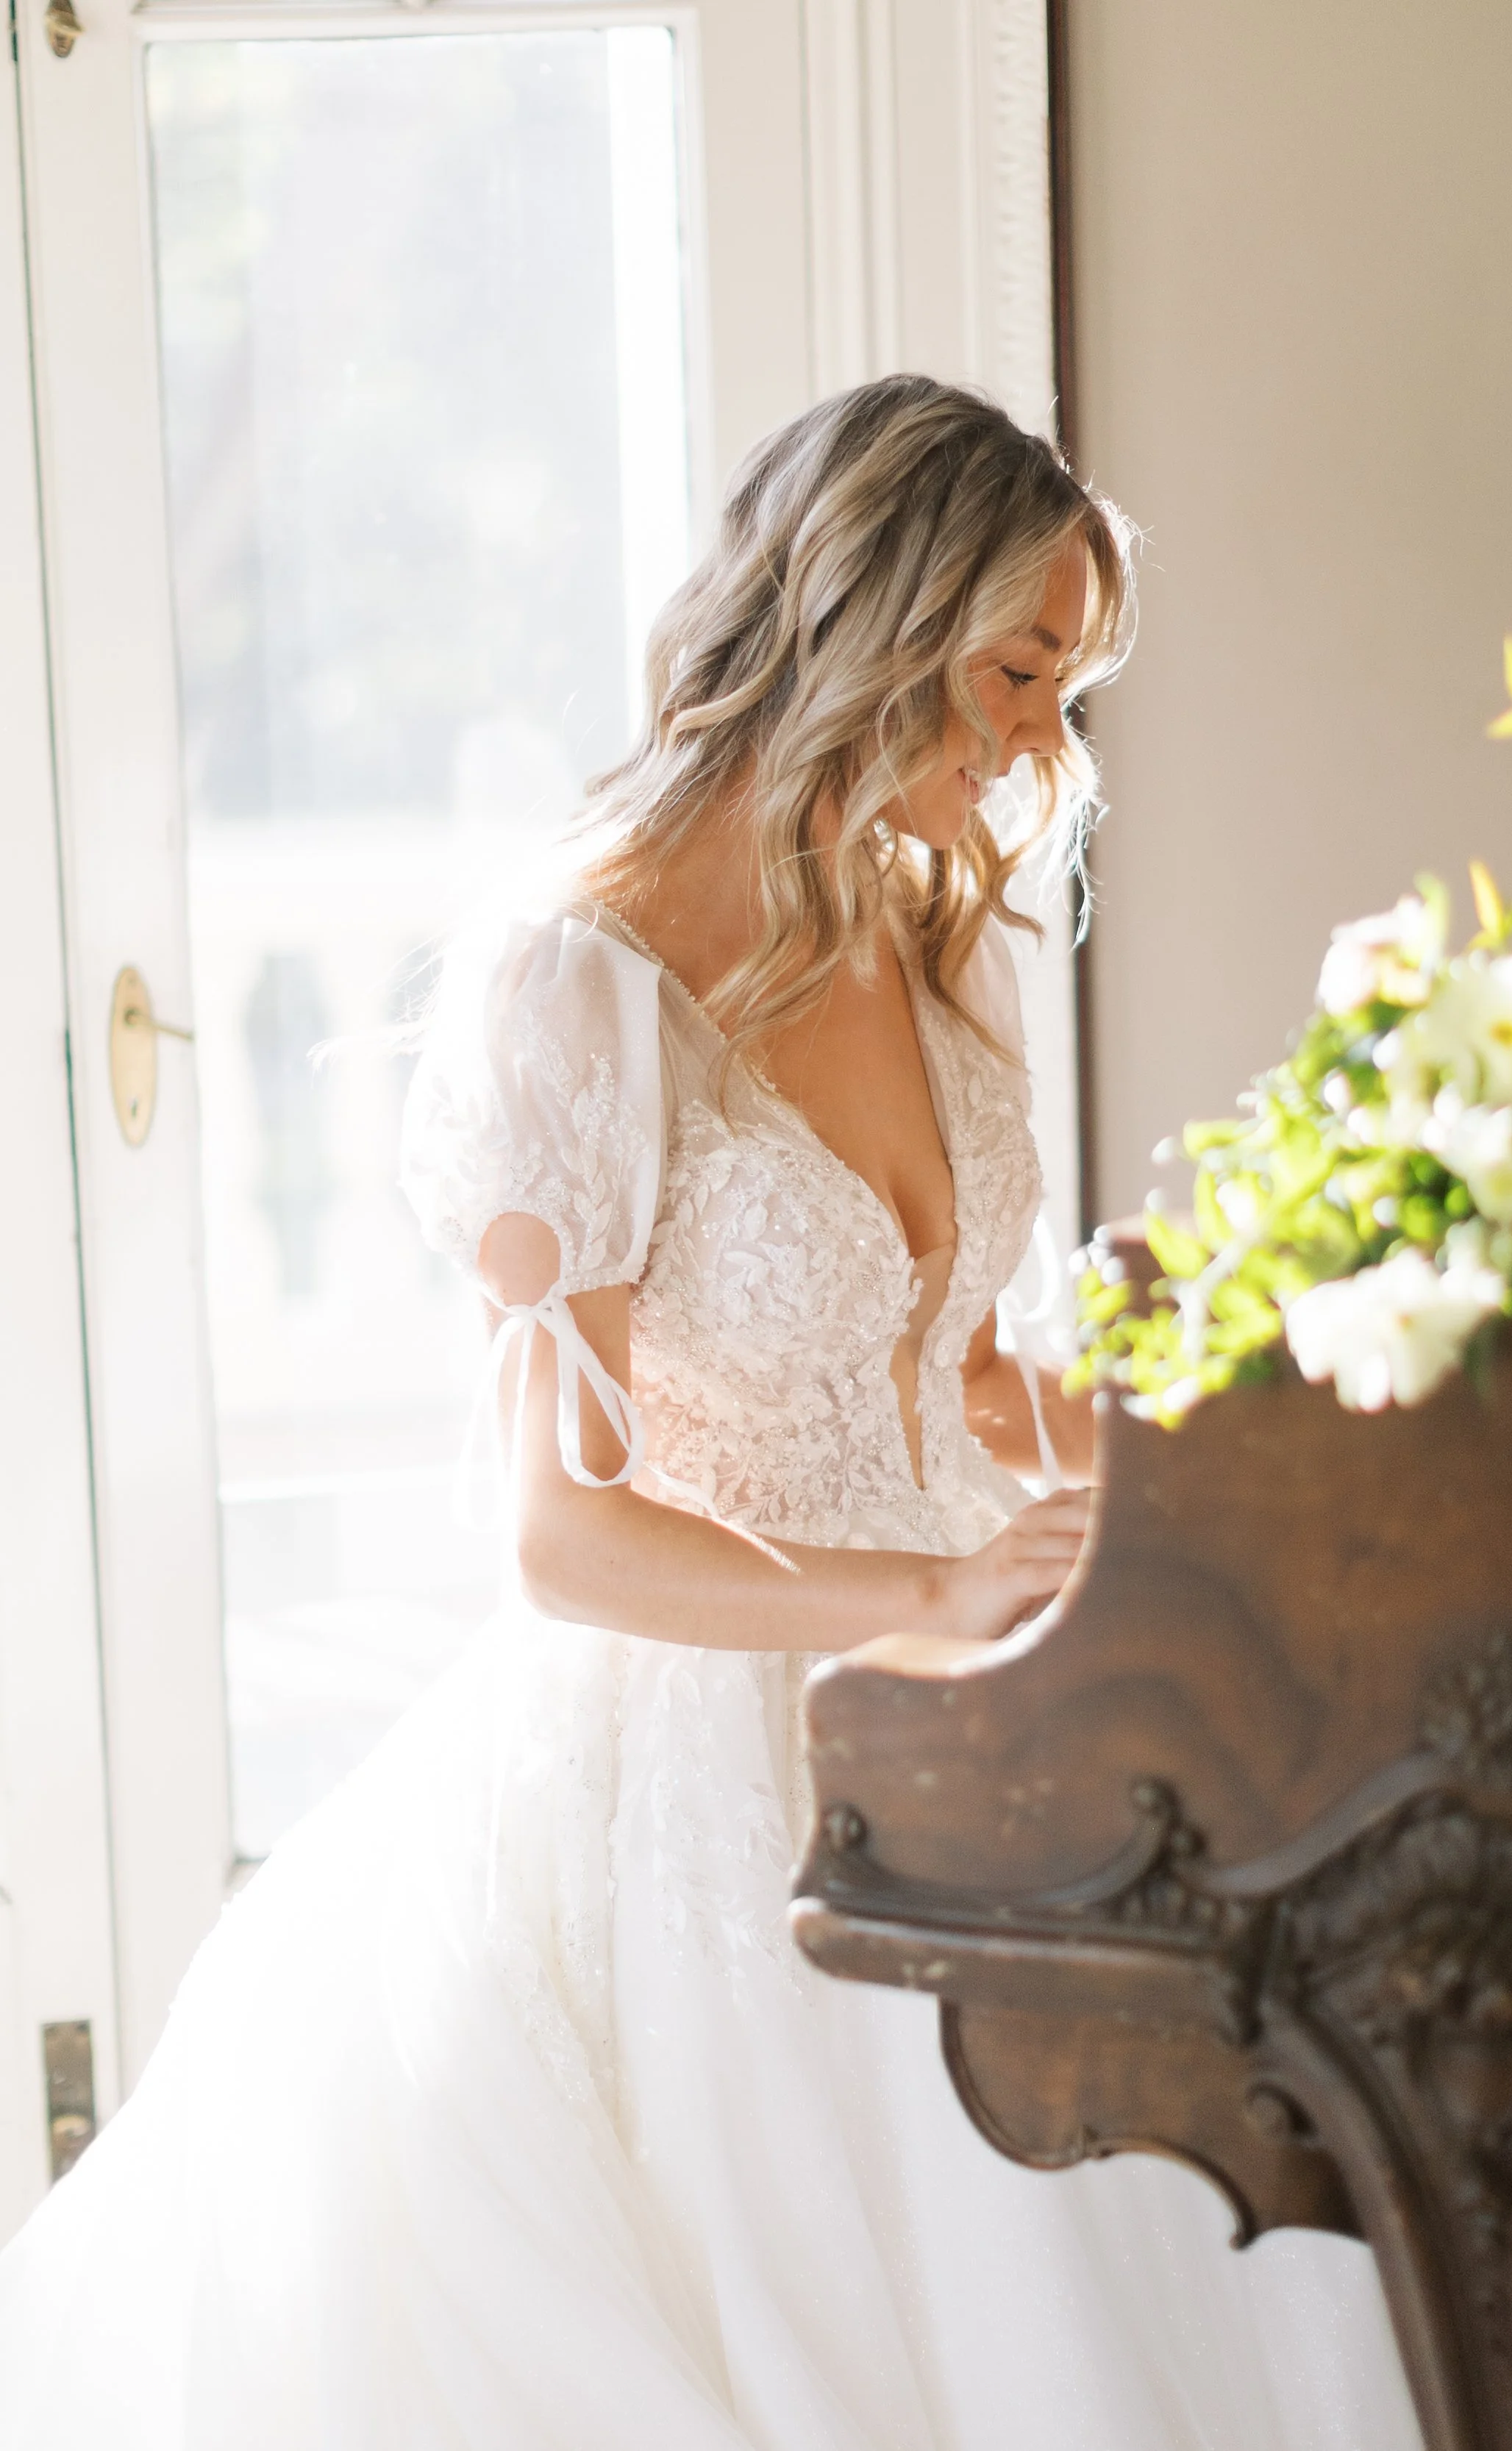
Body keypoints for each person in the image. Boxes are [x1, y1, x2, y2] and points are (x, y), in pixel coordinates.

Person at [0, 376, 1423, 2450]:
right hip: (708, 1756)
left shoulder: (935, 930)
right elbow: (558, 1533)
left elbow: (958, 1370)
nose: (1043, 738)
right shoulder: (578, 982)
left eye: (1067, 685)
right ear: (874, 612)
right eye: (1018, 671)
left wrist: (1225, 1471)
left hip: (983, 1694)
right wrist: (924, 1587)